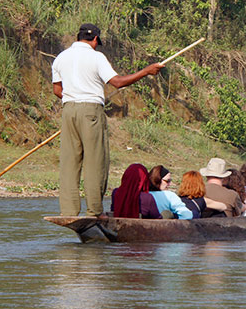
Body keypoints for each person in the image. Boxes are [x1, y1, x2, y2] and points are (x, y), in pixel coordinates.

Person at [52, 23, 164, 217]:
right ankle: (94, 211)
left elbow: (57, 90)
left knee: (70, 162)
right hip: (91, 111)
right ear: (95, 39)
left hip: (68, 110)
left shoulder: (61, 58)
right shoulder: (96, 57)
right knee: (95, 161)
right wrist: (146, 71)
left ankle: (69, 211)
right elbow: (118, 82)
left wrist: (76, 99)